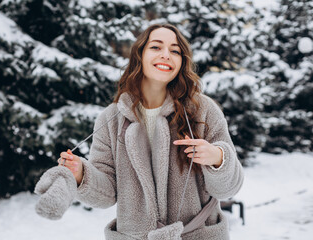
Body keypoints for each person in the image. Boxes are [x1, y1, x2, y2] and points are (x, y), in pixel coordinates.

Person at [57, 23, 244, 239]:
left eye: (175, 51)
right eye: (156, 47)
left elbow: (229, 189)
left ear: (182, 61)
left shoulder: (203, 111)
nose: (166, 55)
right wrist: (81, 174)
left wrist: (217, 158)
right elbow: (106, 195)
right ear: (140, 55)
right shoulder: (110, 119)